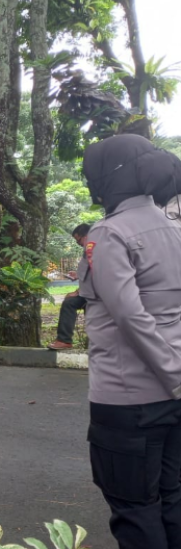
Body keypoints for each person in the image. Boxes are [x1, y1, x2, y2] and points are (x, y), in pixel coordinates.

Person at [79, 134, 181, 549]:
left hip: (127, 400)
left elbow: (130, 318)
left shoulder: (109, 234)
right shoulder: (173, 230)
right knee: (171, 498)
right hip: (172, 399)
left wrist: (174, 376)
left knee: (134, 508)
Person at [47, 224, 91, 350]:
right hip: (89, 293)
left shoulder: (96, 248)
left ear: (87, 235)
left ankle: (67, 340)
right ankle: (64, 340)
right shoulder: (87, 249)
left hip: (97, 294)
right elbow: (88, 271)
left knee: (72, 303)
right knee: (69, 303)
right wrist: (77, 275)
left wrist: (79, 291)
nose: (78, 243)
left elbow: (99, 274)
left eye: (79, 240)